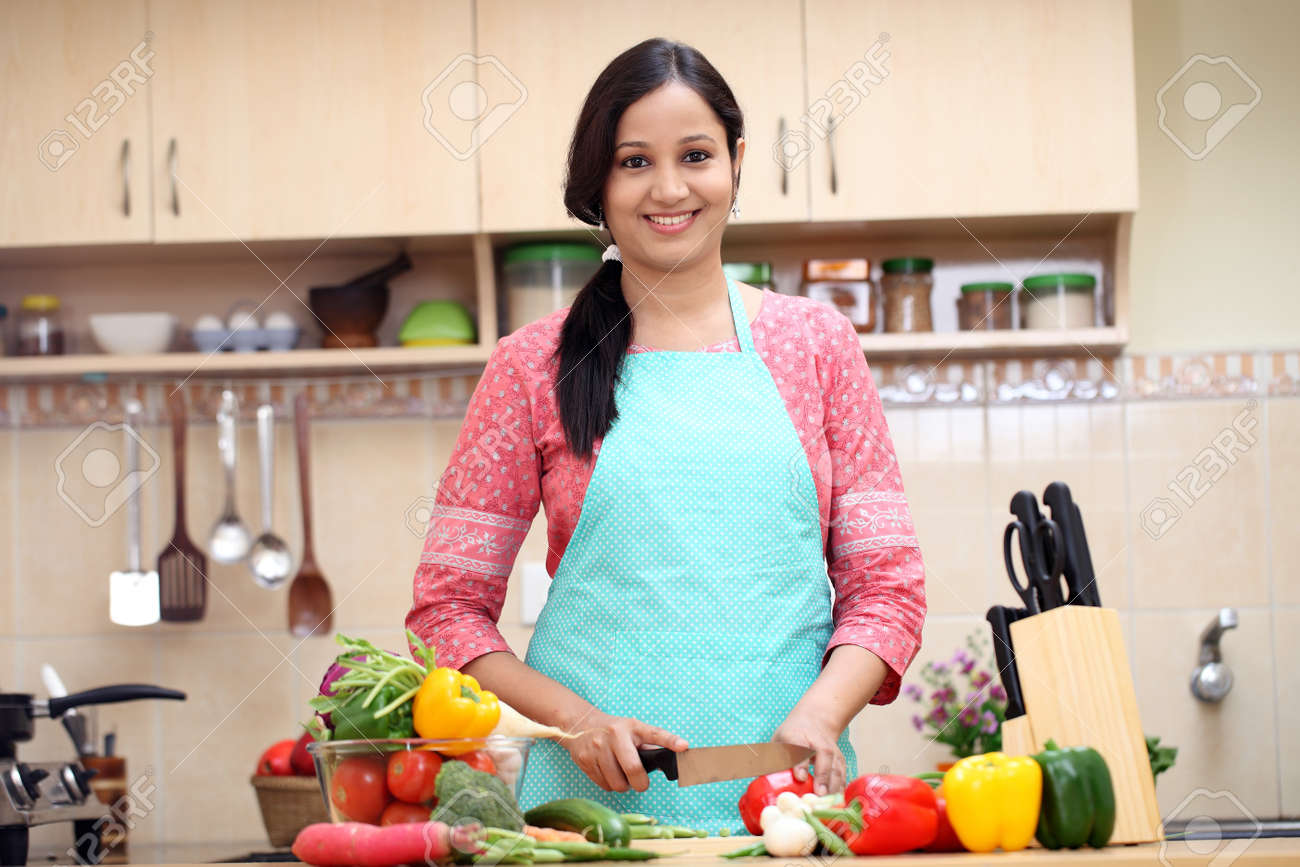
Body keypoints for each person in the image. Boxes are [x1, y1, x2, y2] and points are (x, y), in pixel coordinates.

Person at [407, 37, 925, 833]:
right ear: (599, 183)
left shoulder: (818, 345)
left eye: (695, 154)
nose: (671, 187)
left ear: (737, 161)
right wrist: (576, 719)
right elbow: (448, 611)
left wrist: (821, 713)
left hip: (789, 813)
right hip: (588, 823)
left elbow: (885, 590)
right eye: (635, 161)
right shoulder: (529, 366)